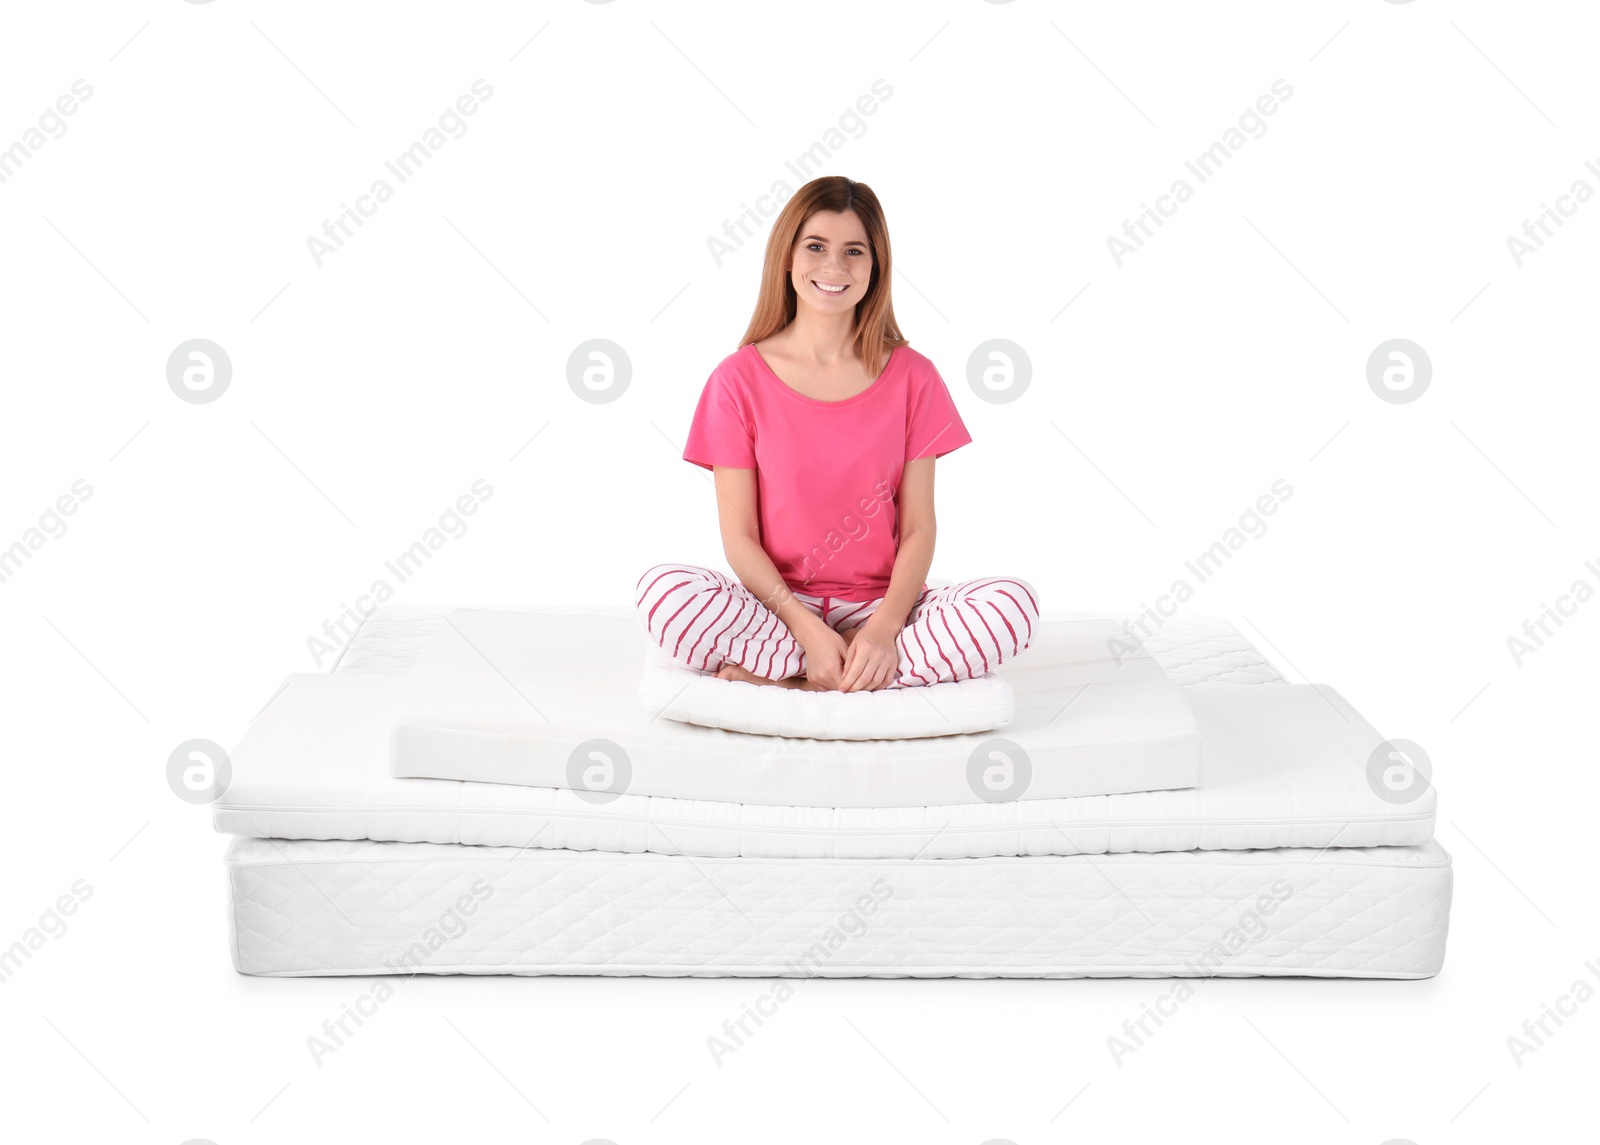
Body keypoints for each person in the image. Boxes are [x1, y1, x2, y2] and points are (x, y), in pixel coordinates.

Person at [637, 176, 1038, 692]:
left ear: (876, 267)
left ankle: (796, 679)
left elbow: (918, 527)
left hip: (883, 604)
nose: (834, 267)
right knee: (664, 592)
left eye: (854, 251)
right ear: (788, 257)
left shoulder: (914, 377)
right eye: (816, 247)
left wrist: (884, 630)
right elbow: (739, 538)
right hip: (775, 610)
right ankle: (833, 668)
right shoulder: (736, 380)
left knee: (1013, 603)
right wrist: (808, 632)